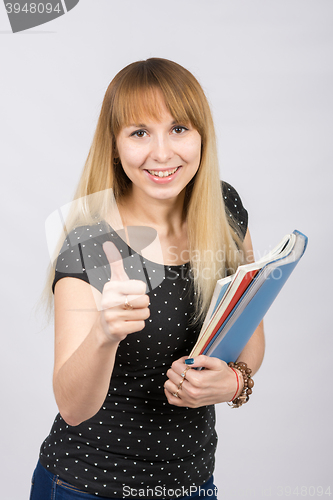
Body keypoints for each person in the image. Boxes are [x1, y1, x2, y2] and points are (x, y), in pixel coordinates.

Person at [30, 58, 265, 500]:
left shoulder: (224, 207)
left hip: (192, 485)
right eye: (139, 132)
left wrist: (234, 382)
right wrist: (104, 333)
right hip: (87, 487)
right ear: (115, 146)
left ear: (202, 136)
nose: (162, 153)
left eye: (179, 128)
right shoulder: (91, 243)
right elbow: (72, 407)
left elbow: (250, 338)